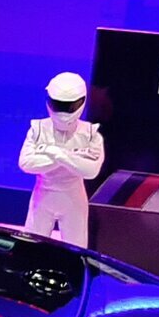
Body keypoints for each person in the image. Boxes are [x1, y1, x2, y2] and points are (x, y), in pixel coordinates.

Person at [19, 72, 105, 248]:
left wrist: (56, 153)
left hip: (73, 199)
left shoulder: (90, 133)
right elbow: (26, 163)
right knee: (31, 247)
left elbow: (91, 171)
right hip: (43, 196)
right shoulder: (38, 129)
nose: (63, 112)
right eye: (58, 105)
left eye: (69, 106)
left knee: (76, 251)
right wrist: (71, 157)